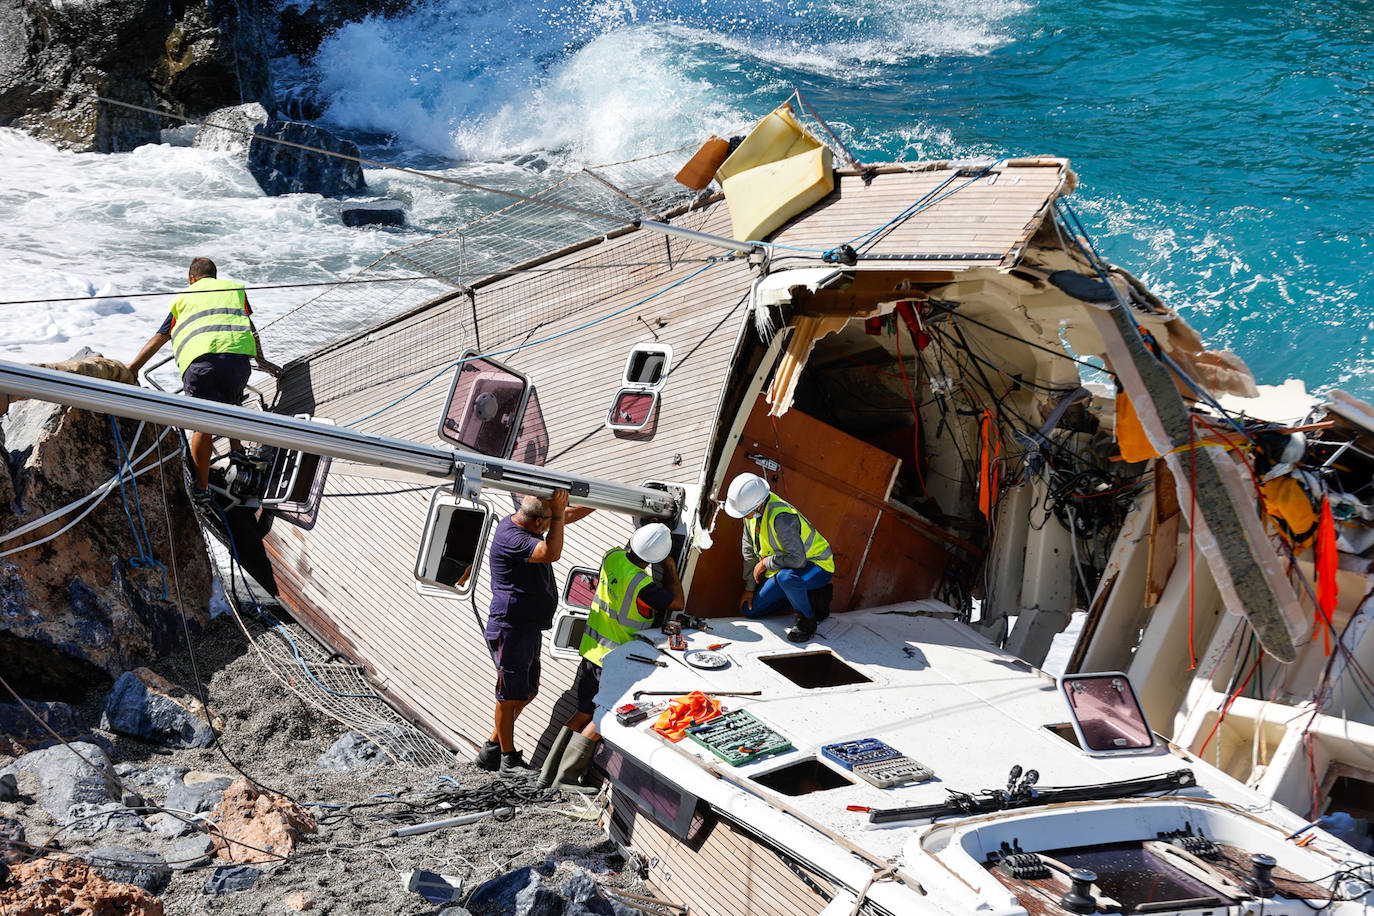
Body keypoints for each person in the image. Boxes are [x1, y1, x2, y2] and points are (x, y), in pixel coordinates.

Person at [538, 522, 683, 792]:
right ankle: (566, 780)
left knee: (582, 712)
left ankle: (546, 774)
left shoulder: (612, 555)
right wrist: (671, 569)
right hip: (614, 662)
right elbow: (677, 604)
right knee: (600, 717)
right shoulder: (643, 585)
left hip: (591, 651)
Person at [125, 258, 280, 502]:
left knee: (203, 425)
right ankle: (237, 452)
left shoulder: (184, 299)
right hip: (238, 362)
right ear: (214, 277)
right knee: (231, 403)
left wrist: (133, 368)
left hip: (201, 365)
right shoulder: (233, 291)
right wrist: (262, 361)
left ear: (192, 279)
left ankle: (201, 488)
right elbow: (249, 325)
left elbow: (161, 337)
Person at [474, 488, 593, 775]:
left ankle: (492, 748)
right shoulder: (512, 537)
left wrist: (599, 505)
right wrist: (558, 519)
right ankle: (508, 760)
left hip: (526, 627)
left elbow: (563, 516)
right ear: (538, 523)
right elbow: (551, 552)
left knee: (527, 691)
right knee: (508, 694)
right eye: (548, 522)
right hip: (510, 627)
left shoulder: (525, 521)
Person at [723, 472, 834, 643]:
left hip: (817, 566)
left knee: (786, 578)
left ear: (757, 505)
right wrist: (750, 588)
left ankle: (807, 620)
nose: (743, 516)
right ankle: (806, 596)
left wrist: (767, 562)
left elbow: (798, 560)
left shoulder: (782, 517)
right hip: (785, 569)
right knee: (751, 611)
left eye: (744, 512)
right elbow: (749, 552)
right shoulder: (750, 515)